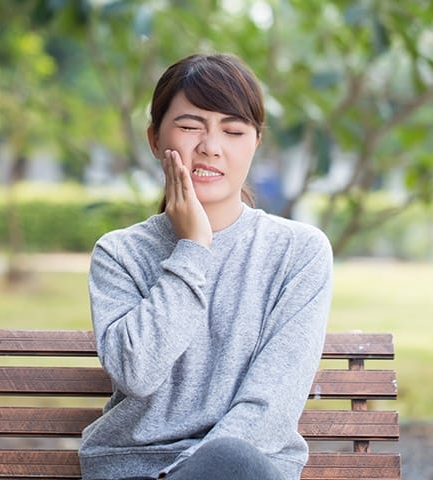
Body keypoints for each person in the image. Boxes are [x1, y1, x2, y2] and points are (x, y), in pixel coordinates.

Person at [79, 53, 333, 480]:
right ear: (155, 139)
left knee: (231, 460)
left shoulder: (299, 252)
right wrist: (193, 248)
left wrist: (189, 473)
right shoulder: (119, 254)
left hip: (244, 470)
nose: (210, 147)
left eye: (233, 130)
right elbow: (137, 373)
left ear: (255, 143)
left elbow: (269, 409)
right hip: (132, 470)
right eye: (190, 126)